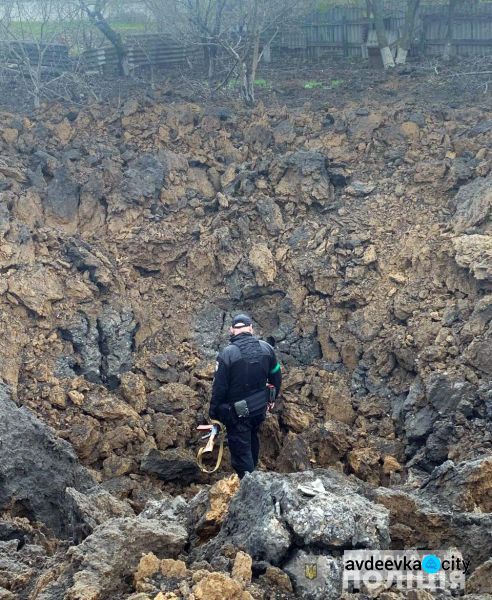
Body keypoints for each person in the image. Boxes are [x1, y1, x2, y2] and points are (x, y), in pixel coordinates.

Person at [209, 313, 282, 479]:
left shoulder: (227, 354)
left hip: (237, 414)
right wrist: (272, 398)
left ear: (232, 330)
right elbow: (276, 376)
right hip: (259, 409)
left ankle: (250, 485)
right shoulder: (267, 349)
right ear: (250, 329)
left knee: (241, 454)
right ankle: (254, 474)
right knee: (252, 438)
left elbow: (219, 388)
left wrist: (213, 413)